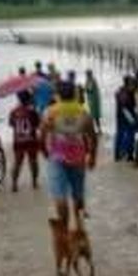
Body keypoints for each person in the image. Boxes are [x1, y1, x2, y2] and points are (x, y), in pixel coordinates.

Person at [41, 82, 98, 223]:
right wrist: (92, 156)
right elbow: (92, 136)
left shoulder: (50, 112)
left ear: (58, 95)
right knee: (78, 194)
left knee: (60, 196)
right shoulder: (83, 112)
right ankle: (79, 225)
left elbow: (42, 134)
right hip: (78, 157)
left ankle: (65, 227)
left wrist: (44, 151)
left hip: (57, 157)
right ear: (74, 94)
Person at [9, 90, 41, 191]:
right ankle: (34, 182)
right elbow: (37, 125)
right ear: (28, 99)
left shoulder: (13, 111)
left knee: (17, 162)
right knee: (33, 161)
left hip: (18, 140)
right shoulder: (32, 111)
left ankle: (14, 184)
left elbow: (11, 124)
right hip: (31, 139)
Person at [114, 75, 137, 161]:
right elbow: (134, 105)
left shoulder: (118, 91)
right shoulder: (131, 92)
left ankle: (116, 155)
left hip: (119, 115)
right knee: (130, 135)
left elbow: (119, 103)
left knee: (119, 135)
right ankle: (129, 155)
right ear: (129, 82)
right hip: (129, 116)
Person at [84, 69, 102, 134]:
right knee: (95, 116)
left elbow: (89, 89)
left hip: (93, 100)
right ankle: (98, 129)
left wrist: (83, 88)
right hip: (94, 100)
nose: (86, 75)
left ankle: (94, 130)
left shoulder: (91, 80)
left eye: (87, 74)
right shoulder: (92, 80)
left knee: (93, 116)